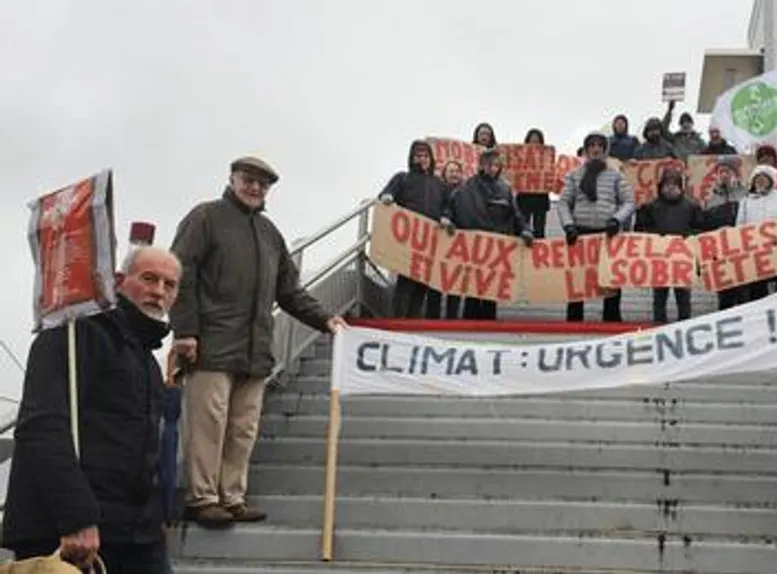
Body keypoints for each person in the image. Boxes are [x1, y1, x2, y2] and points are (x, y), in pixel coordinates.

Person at [170, 156, 347, 528]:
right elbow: (180, 274)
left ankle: (232, 496)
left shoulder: (270, 234)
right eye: (248, 180)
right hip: (211, 344)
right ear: (232, 179)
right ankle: (203, 498)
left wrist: (324, 319)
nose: (254, 188)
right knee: (209, 424)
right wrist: (185, 331)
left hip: (255, 349)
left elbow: (290, 291)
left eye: (262, 184)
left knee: (243, 427)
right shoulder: (205, 217)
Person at [1, 247, 182, 573]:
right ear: (119, 281)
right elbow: (41, 427)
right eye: (149, 278)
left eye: (169, 284)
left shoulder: (147, 362)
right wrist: (76, 517)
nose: (159, 291)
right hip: (68, 533)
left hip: (135, 534)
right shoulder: (73, 332)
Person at [444, 148, 534, 320]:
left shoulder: (505, 189)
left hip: (494, 252)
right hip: (473, 250)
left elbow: (516, 215)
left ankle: (489, 328)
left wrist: (526, 230)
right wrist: (447, 218)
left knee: (491, 295)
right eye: (489, 164)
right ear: (481, 165)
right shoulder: (466, 186)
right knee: (472, 295)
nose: (492, 168)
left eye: (496, 165)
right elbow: (450, 206)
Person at [558, 132, 635, 322]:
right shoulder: (574, 175)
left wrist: (616, 220)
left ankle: (611, 319)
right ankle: (574, 321)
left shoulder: (616, 175)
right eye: (591, 145)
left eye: (600, 145)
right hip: (580, 233)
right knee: (578, 281)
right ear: (586, 150)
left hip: (608, 233)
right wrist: (568, 225)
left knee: (611, 280)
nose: (596, 149)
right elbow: (563, 203)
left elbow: (629, 202)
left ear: (605, 150)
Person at [378, 140, 450, 318]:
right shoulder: (402, 178)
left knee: (422, 285)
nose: (422, 159)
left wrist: (445, 216)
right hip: (408, 242)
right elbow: (387, 193)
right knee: (405, 283)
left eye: (425, 156)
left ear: (431, 159)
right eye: (418, 156)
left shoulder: (439, 184)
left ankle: (413, 321)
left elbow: (446, 205)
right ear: (412, 158)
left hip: (430, 243)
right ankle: (398, 320)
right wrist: (387, 196)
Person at [634, 168, 703, 323]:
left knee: (683, 298)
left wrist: (687, 240)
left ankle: (685, 324)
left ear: (680, 187)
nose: (670, 188)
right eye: (667, 184)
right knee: (659, 298)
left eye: (674, 184)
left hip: (682, 259)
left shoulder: (692, 207)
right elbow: (641, 229)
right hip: (659, 259)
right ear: (661, 187)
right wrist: (658, 239)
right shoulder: (650, 207)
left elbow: (700, 229)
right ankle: (659, 325)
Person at [736, 164, 777, 302]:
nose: (760, 182)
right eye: (757, 179)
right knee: (757, 295)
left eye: (764, 178)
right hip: (756, 259)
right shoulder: (746, 203)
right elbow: (739, 230)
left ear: (771, 180)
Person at [700, 156, 749, 309]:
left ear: (735, 174)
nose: (724, 175)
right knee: (724, 291)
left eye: (727, 171)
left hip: (742, 249)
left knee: (743, 291)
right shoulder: (710, 198)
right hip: (720, 251)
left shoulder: (746, 194)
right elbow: (705, 225)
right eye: (721, 172)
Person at [428, 160, 466, 320]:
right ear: (444, 174)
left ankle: (452, 318)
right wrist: (443, 217)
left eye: (457, 171)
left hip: (459, 243)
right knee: (435, 281)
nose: (454, 174)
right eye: (451, 171)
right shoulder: (437, 190)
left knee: (455, 283)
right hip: (439, 242)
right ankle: (432, 317)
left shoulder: (467, 193)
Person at [515, 128, 551, 239]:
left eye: (537, 142)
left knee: (539, 230)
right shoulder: (519, 158)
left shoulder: (547, 158)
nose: (534, 144)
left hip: (541, 199)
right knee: (523, 229)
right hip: (524, 198)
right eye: (532, 141)